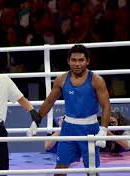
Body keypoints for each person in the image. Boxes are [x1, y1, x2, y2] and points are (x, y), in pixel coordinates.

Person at [28, 44, 111, 176]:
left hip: (90, 129)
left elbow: (106, 106)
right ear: (68, 61)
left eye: (81, 60)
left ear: (87, 61)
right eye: (74, 60)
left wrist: (103, 130)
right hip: (68, 128)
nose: (77, 64)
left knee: (92, 170)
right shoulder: (62, 79)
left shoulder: (96, 80)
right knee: (60, 168)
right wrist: (36, 120)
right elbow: (50, 101)